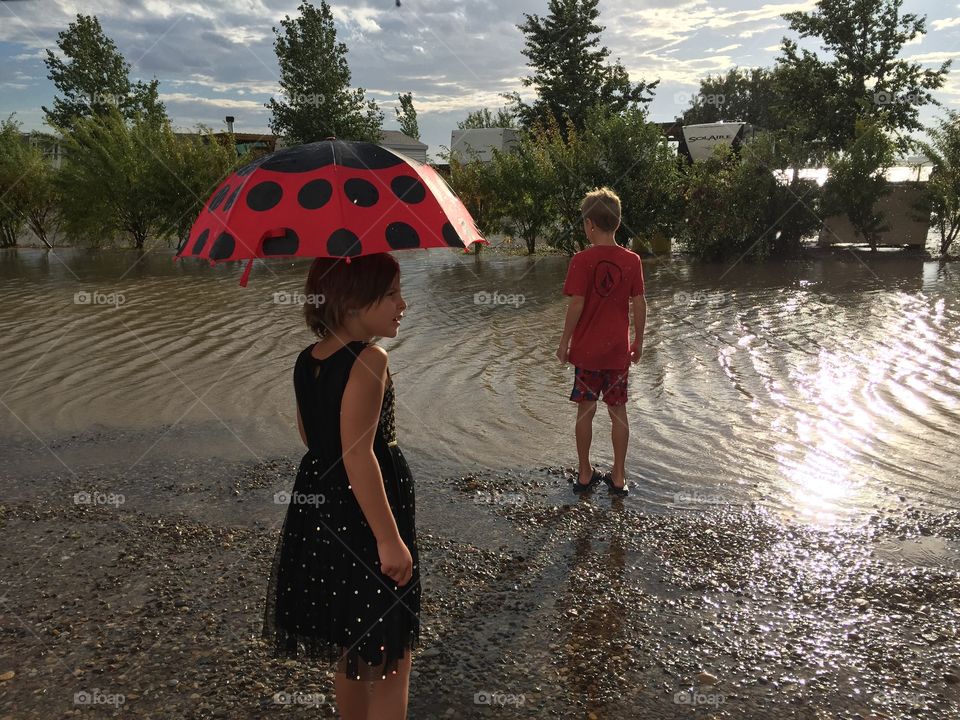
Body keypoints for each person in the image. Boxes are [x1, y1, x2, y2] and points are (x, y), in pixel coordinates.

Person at [262, 253, 419, 720]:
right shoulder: (370, 358)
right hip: (365, 515)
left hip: (321, 507)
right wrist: (389, 541)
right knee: (392, 655)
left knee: (353, 645)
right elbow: (358, 454)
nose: (402, 303)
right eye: (390, 293)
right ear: (352, 301)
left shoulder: (307, 359)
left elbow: (313, 437)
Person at [556, 188, 646, 496]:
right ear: (617, 224)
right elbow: (639, 303)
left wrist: (564, 342)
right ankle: (618, 476)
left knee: (585, 410)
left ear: (590, 224)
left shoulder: (582, 260)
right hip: (617, 351)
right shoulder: (632, 260)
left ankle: (584, 474)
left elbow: (576, 304)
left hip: (586, 351)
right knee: (618, 410)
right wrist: (639, 342)